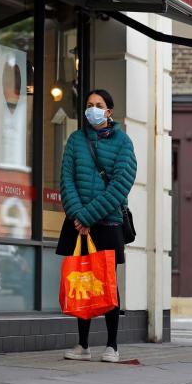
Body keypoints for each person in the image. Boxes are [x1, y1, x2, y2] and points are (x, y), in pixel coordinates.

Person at [56, 89, 136, 363]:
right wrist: (78, 214)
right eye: (89, 105)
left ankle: (112, 345)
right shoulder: (76, 140)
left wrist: (87, 216)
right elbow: (66, 180)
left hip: (107, 222)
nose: (93, 109)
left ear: (109, 111)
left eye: (98, 105)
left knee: (108, 284)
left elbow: (120, 186)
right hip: (78, 223)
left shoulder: (124, 143)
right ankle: (82, 345)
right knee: (82, 281)